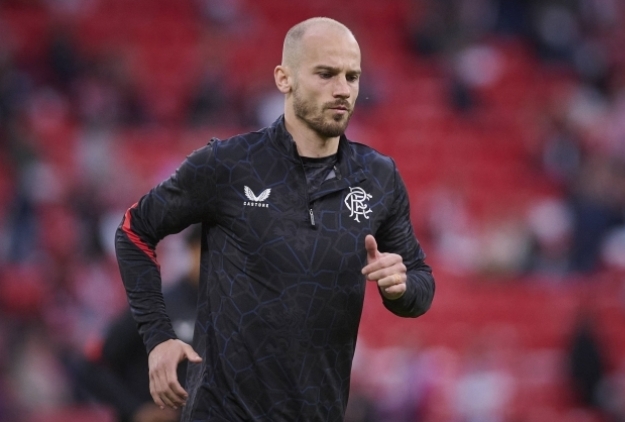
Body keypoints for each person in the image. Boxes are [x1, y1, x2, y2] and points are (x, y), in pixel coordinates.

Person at [115, 17, 435, 422]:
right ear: (284, 78)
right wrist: (159, 337)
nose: (343, 89)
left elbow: (420, 283)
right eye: (326, 74)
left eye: (352, 77)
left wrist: (400, 288)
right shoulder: (228, 165)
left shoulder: (378, 177)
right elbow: (134, 232)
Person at [80, 225, 202, 422]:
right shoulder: (157, 305)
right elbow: (94, 365)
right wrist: (135, 410)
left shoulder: (231, 312)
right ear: (193, 250)